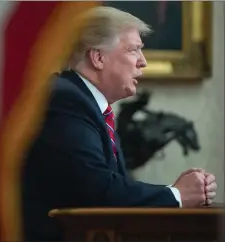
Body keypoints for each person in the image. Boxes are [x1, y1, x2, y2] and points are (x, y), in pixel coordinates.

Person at [21, 6, 217, 241]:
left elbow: (113, 189)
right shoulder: (65, 100)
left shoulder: (86, 103)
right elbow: (98, 191)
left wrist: (179, 192)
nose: (143, 62)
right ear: (98, 57)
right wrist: (176, 195)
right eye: (134, 50)